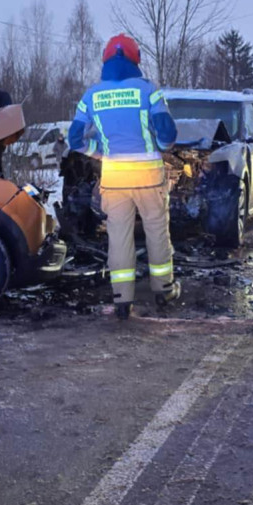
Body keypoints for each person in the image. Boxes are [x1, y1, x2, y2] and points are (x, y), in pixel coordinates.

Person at [68, 33, 180, 320]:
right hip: (148, 176)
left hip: (114, 177)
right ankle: (164, 289)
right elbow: (167, 133)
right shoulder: (147, 90)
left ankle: (121, 299)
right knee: (156, 231)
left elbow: (75, 139)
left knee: (118, 237)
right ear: (135, 60)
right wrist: (161, 148)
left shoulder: (91, 95)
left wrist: (100, 153)